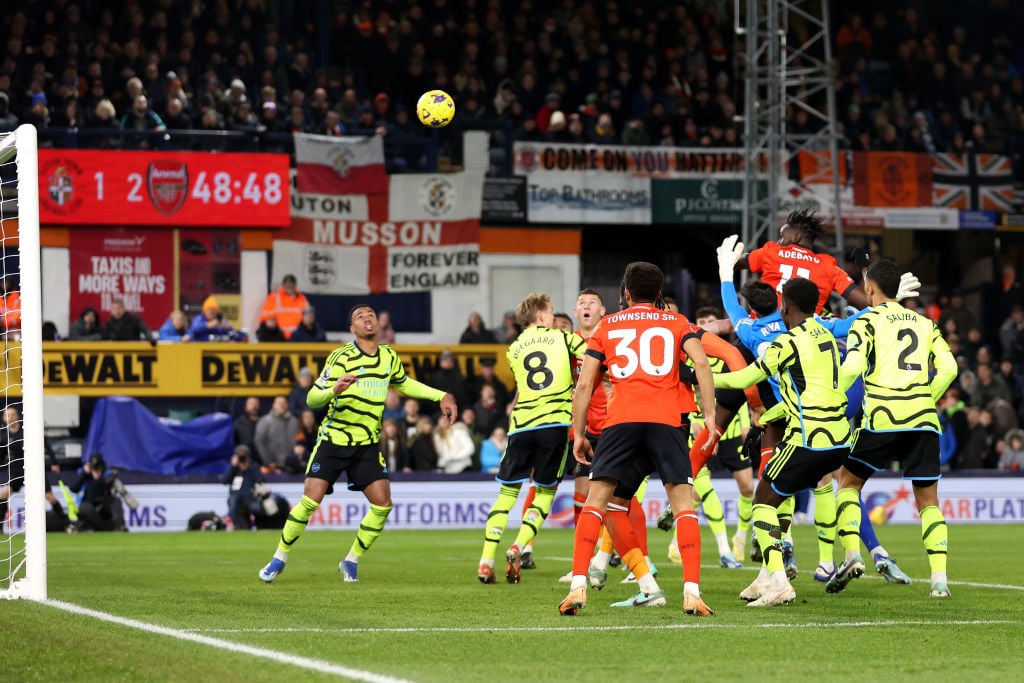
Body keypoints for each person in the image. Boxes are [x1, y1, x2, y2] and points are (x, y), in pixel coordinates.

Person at [559, 264, 718, 616]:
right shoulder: (677, 323)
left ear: (626, 293)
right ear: (659, 294)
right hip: (666, 422)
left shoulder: (606, 326)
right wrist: (709, 416)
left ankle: (578, 586)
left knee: (596, 503)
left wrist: (580, 433)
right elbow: (703, 366)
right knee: (683, 507)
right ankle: (691, 592)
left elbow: (584, 384)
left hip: (621, 422)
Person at [258, 304, 457, 583]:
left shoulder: (388, 356)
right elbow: (311, 398)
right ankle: (279, 557)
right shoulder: (340, 357)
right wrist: (333, 389)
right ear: (352, 329)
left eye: (371, 315)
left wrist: (441, 396)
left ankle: (350, 560)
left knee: (383, 504)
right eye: (360, 317)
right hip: (334, 439)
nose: (367, 319)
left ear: (378, 324)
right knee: (309, 501)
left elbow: (406, 384)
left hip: (366, 443)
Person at [713, 277, 852, 607]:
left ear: (785, 306)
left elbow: (745, 378)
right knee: (780, 496)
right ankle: (766, 576)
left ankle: (778, 582)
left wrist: (700, 375)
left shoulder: (788, 342)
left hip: (809, 439)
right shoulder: (827, 334)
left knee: (762, 501)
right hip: (839, 439)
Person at [827, 260, 959, 599]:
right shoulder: (925, 322)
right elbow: (949, 368)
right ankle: (939, 581)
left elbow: (854, 364)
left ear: (869, 288)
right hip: (923, 419)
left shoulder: (867, 322)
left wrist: (831, 395)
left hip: (883, 417)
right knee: (928, 501)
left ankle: (853, 555)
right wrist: (926, 397)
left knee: (848, 483)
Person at [477, 292, 586, 585]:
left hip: (521, 425)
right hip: (554, 423)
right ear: (540, 315)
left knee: (507, 493)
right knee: (545, 492)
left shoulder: (513, 349)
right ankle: (519, 545)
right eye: (550, 312)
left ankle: (486, 559)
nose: (553, 317)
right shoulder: (564, 338)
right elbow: (592, 352)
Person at [734, 209, 868, 313]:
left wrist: (728, 256)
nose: (779, 241)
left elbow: (734, 262)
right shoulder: (827, 265)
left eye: (782, 236)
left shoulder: (772, 251)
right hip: (805, 338)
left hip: (764, 331)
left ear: (797, 236)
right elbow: (866, 301)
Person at [67, 453, 138, 532]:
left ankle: (119, 526)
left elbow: (123, 492)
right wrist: (84, 473)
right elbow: (74, 489)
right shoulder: (85, 476)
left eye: (98, 468)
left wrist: (134, 505)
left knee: (116, 501)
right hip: (90, 510)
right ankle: (104, 528)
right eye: (94, 469)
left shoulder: (109, 477)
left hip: (104, 509)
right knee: (85, 508)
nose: (96, 472)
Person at [221, 445, 271, 530]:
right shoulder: (234, 468)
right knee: (233, 504)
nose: (242, 459)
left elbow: (260, 479)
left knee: (258, 509)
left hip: (250, 496)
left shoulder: (253, 467)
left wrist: (248, 468)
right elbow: (224, 480)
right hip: (235, 496)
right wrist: (233, 466)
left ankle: (260, 526)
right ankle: (239, 527)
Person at [254, 396, 299, 474]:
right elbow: (259, 442)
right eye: (279, 403)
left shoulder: (294, 421)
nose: (282, 405)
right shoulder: (265, 421)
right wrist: (268, 461)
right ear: (273, 405)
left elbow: (300, 441)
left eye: (284, 403)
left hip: (292, 466)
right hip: (272, 466)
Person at [258, 274, 309, 339]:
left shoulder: (302, 299)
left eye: (291, 283)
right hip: (278, 338)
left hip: (298, 339)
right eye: (287, 283)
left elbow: (309, 319)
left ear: (295, 285)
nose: (289, 285)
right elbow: (264, 318)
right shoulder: (274, 298)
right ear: (283, 285)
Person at [426, 348, 472, 416]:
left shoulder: (460, 378)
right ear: (440, 362)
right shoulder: (433, 378)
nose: (447, 361)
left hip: (457, 412)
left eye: (450, 360)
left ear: (453, 362)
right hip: (437, 413)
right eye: (445, 359)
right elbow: (429, 399)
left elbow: (465, 399)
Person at [233, 397, 264, 465]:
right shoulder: (239, 423)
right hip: (245, 462)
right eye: (251, 404)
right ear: (246, 407)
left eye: (256, 404)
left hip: (263, 461)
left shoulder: (265, 422)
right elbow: (234, 442)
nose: (254, 406)